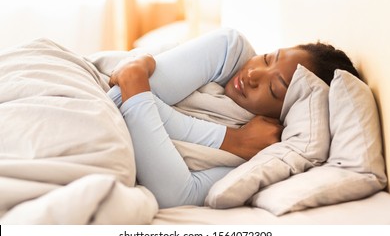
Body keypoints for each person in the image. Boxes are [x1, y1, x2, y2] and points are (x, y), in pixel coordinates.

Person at [108, 28, 359, 208]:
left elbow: (176, 196)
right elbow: (121, 96)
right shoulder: (229, 50)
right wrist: (229, 139)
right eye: (267, 58)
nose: (253, 73)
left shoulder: (264, 154)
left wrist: (137, 88)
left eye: (274, 89)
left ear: (288, 111)